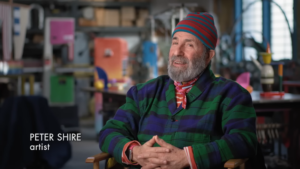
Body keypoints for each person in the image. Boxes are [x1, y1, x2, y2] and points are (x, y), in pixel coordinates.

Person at [99, 12, 259, 169]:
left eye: (189, 45)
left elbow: (244, 140)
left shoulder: (231, 94)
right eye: (175, 42)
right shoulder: (143, 93)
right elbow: (109, 132)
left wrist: (187, 158)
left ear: (208, 55)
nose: (177, 52)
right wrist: (135, 153)